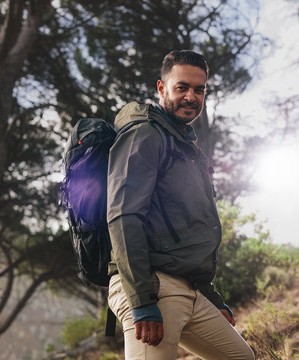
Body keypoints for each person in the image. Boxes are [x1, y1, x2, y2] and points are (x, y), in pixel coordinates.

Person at [106, 50, 255, 360]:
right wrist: (142, 300)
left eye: (199, 90)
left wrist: (211, 298)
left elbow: (185, 233)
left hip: (189, 290)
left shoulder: (187, 147)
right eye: (182, 87)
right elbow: (123, 216)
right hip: (151, 286)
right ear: (162, 88)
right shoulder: (145, 135)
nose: (191, 96)